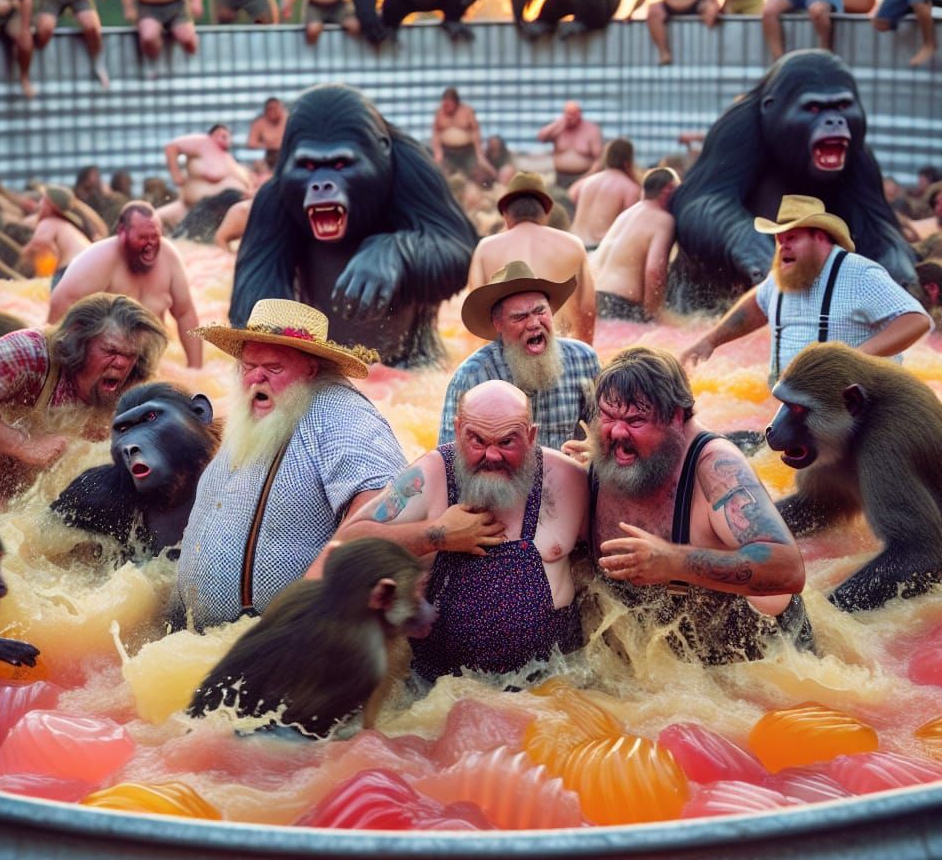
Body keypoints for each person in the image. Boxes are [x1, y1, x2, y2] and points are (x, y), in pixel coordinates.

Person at [337, 380, 586, 682]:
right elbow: (346, 544)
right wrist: (437, 535)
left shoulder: (568, 480)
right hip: (443, 690)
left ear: (531, 436)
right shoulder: (429, 476)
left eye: (507, 442)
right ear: (457, 431)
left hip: (552, 690)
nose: (491, 456)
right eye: (477, 440)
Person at [176, 298, 405, 627]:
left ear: (311, 369)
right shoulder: (250, 413)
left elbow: (390, 505)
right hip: (203, 643)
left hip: (288, 640)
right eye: (248, 366)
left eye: (273, 368)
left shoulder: (341, 413)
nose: (256, 378)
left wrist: (309, 606)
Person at [589, 346, 810, 665]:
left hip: (758, 664)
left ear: (677, 417)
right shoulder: (599, 458)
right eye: (608, 417)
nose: (617, 431)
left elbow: (787, 568)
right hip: (660, 666)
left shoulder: (716, 468)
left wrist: (672, 561)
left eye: (636, 420)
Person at [0, 292, 167, 495]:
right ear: (79, 340)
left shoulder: (135, 376)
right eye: (110, 351)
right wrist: (22, 444)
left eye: (130, 355)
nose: (122, 364)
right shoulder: (29, 352)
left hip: (68, 492)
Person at [681, 194, 931, 384]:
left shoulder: (860, 274)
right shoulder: (783, 277)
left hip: (854, 411)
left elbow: (916, 320)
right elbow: (756, 305)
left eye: (792, 238)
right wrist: (709, 341)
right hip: (788, 408)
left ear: (820, 238)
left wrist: (855, 359)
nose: (783, 247)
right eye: (779, 240)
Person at [439, 261, 600, 450]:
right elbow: (448, 455)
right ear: (498, 324)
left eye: (540, 312)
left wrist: (590, 453)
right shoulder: (472, 376)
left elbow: (604, 433)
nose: (534, 324)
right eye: (520, 317)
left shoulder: (583, 359)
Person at [48, 200, 203, 369]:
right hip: (107, 361)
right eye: (142, 237)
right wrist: (57, 363)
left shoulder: (169, 257)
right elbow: (61, 303)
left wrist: (195, 368)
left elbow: (185, 312)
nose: (150, 245)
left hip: (150, 362)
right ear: (122, 232)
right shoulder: (98, 258)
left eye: (154, 237)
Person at [467, 173, 595, 343]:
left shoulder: (485, 248)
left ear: (506, 215)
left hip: (509, 349)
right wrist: (587, 351)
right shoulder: (573, 245)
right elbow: (587, 310)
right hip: (556, 346)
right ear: (546, 215)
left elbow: (475, 316)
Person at [591, 166, 679, 323]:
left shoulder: (626, 214)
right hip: (621, 305)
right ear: (668, 190)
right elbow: (654, 270)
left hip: (595, 297)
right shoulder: (663, 220)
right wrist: (653, 315)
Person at [158, 123, 251, 230]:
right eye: (222, 134)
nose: (226, 138)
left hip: (223, 212)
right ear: (212, 135)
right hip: (197, 208)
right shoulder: (204, 142)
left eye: (228, 136)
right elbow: (172, 147)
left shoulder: (226, 157)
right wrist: (176, 175)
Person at [569, 138, 640, 249]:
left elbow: (571, 194)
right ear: (629, 159)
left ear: (606, 157)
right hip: (600, 247)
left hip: (576, 243)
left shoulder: (585, 182)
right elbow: (631, 224)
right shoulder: (630, 188)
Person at [18, 185, 92, 285]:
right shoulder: (64, 225)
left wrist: (24, 252)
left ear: (48, 206)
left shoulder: (48, 222)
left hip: (72, 269)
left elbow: (38, 243)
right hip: (88, 265)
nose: (39, 204)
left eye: (42, 200)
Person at [431, 87, 495, 182]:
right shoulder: (439, 112)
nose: (446, 108)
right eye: (444, 104)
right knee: (443, 175)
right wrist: (438, 152)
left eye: (448, 105)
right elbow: (436, 134)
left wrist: (479, 153)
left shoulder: (467, 111)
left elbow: (475, 131)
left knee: (477, 175)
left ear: (456, 103)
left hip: (467, 151)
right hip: (447, 152)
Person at [537, 102, 604, 190]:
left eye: (573, 114)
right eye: (567, 114)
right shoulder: (558, 128)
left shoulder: (591, 130)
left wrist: (587, 176)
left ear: (579, 114)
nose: (570, 117)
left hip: (584, 177)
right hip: (560, 178)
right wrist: (556, 123)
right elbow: (541, 138)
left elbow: (599, 159)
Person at [246, 97, 288, 177]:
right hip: (269, 157)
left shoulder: (289, 120)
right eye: (270, 109)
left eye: (275, 108)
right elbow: (251, 143)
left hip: (287, 156)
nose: (273, 112)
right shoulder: (260, 123)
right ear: (265, 110)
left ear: (281, 108)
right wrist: (268, 145)